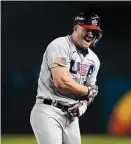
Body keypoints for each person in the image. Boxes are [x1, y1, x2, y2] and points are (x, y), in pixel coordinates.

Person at [30, 12, 102, 144]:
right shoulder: (60, 45)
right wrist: (87, 91)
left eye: (94, 31)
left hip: (71, 117)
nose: (91, 35)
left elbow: (90, 93)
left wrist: (83, 106)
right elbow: (61, 81)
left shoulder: (94, 60)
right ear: (76, 28)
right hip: (49, 110)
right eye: (87, 29)